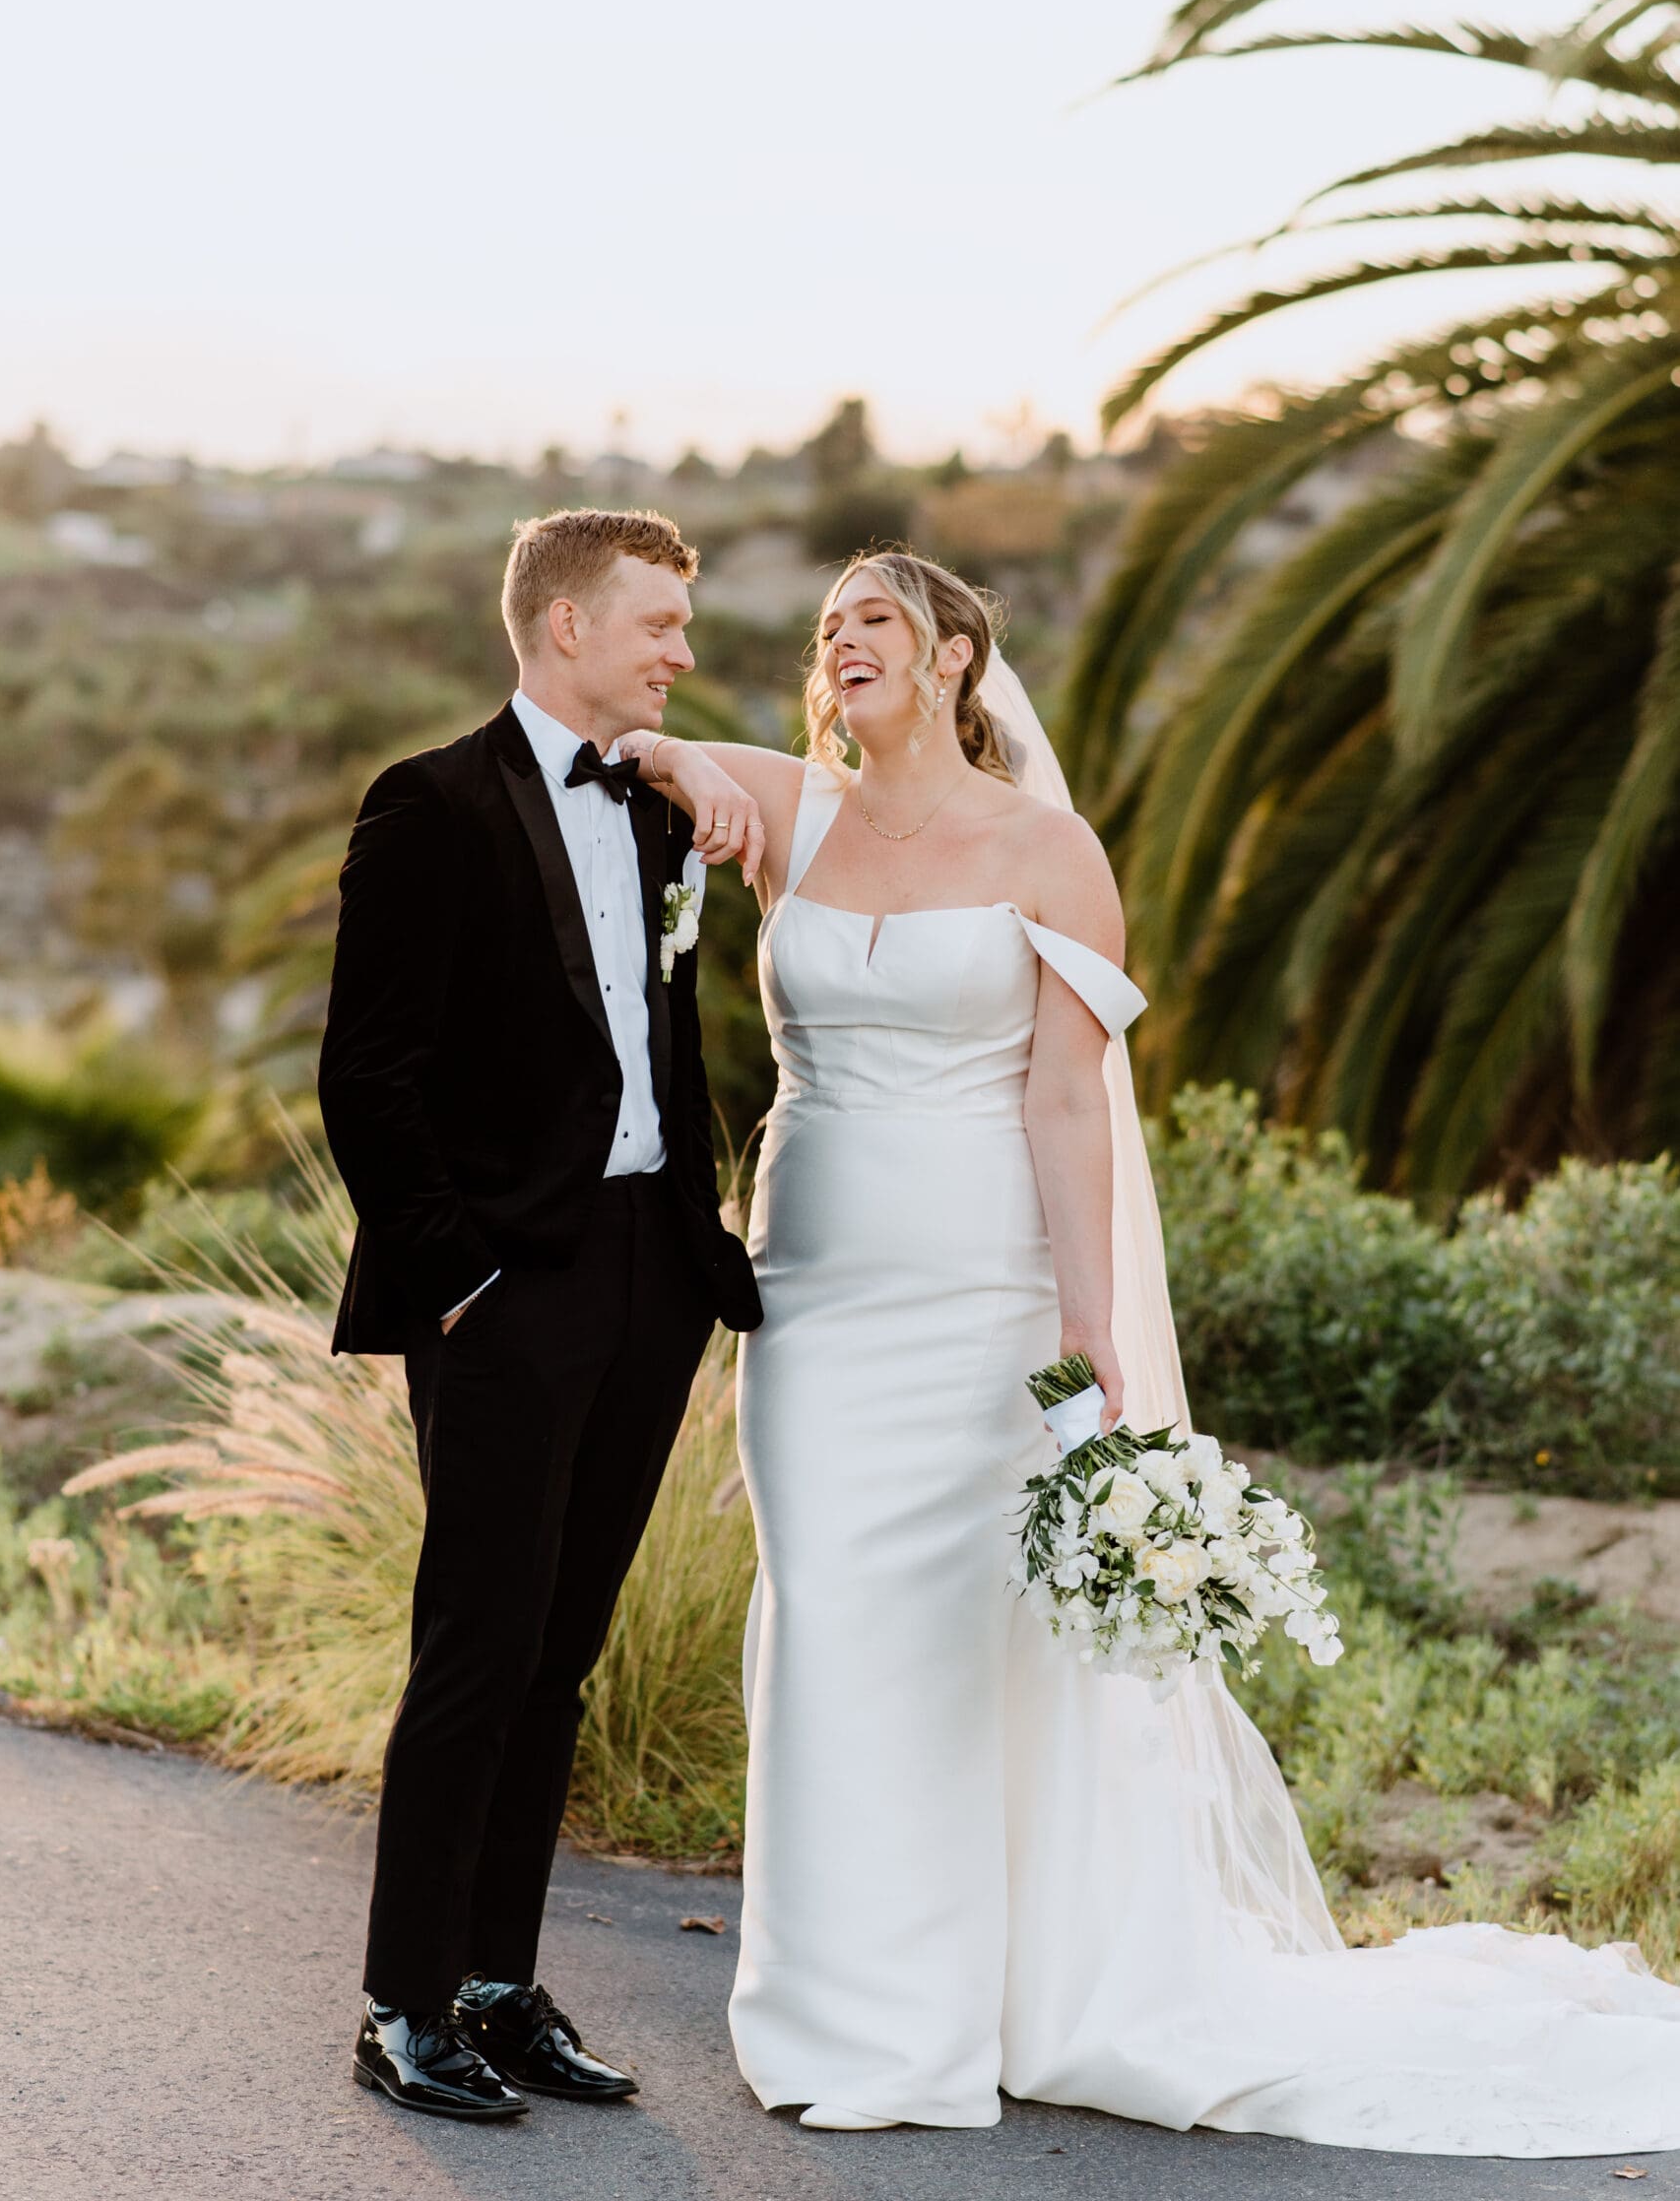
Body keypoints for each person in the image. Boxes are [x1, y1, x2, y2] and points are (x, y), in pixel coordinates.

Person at [618, 546, 1680, 2159]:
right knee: (824, 1614)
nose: (842, 642)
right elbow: (633, 746)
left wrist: (1088, 1321)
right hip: (814, 1295)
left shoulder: (1048, 849)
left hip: (981, 1290)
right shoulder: (793, 807)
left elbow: (1064, 1097)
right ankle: (844, 2016)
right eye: (829, 626)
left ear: (954, 656)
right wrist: (684, 761)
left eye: (875, 620)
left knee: (967, 1641)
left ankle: (979, 2006)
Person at [317, 507, 763, 2120]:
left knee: (563, 1654)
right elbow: (366, 1075)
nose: (681, 654)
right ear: (566, 624)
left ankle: (498, 1987)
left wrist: (691, 1244)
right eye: (657, 625)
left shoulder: (654, 808)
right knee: (477, 1649)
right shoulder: (428, 805)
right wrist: (463, 1279)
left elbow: (661, 1040)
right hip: (507, 1293)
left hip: (650, 1277)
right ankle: (402, 2004)